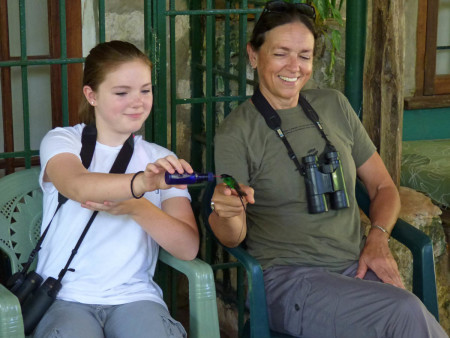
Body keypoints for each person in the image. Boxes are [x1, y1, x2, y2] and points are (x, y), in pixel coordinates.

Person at [208, 1, 447, 337]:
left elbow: (383, 188)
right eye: (281, 53)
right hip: (289, 282)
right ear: (253, 55)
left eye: (304, 55)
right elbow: (231, 234)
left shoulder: (334, 104)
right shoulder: (237, 131)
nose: (294, 66)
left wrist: (377, 238)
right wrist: (227, 210)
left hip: (355, 269)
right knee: (403, 312)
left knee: (404, 314)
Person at [33, 40, 198, 338]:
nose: (138, 102)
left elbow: (187, 248)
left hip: (135, 298)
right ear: (91, 95)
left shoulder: (161, 159)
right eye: (122, 92)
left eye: (145, 90)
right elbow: (78, 186)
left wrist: (138, 206)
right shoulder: (63, 141)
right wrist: (143, 184)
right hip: (64, 295)